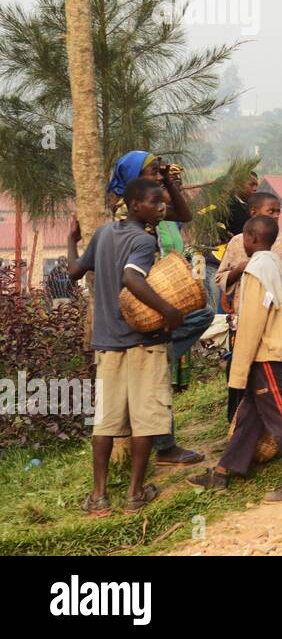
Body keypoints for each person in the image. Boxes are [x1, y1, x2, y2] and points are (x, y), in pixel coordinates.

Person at [68, 178, 186, 516]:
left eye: (162, 202)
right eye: (155, 201)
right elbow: (131, 279)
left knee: (105, 422)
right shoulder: (142, 240)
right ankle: (135, 493)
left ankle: (98, 497)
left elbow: (75, 271)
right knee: (145, 419)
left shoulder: (104, 233)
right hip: (142, 342)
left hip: (107, 343)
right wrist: (170, 311)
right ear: (135, 205)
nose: (161, 208)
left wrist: (69, 240)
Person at [189, 216, 282, 503]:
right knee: (248, 416)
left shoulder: (256, 270)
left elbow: (252, 324)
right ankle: (222, 472)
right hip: (272, 348)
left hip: (264, 353)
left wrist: (240, 368)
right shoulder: (272, 264)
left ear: (250, 238)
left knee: (280, 414)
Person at [106, 150, 210, 464]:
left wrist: (167, 182)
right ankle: (164, 446)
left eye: (157, 171)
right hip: (139, 298)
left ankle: (164, 444)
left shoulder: (146, 205)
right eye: (151, 171)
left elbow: (184, 215)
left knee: (200, 317)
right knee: (157, 368)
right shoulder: (129, 211)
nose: (156, 175)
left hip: (153, 294)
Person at [215, 191, 282, 419]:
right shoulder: (237, 243)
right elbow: (220, 277)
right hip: (244, 319)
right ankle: (234, 420)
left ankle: (261, 424)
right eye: (270, 211)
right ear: (253, 213)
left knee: (266, 374)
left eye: (277, 212)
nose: (275, 215)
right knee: (239, 367)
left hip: (273, 324)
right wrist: (240, 268)